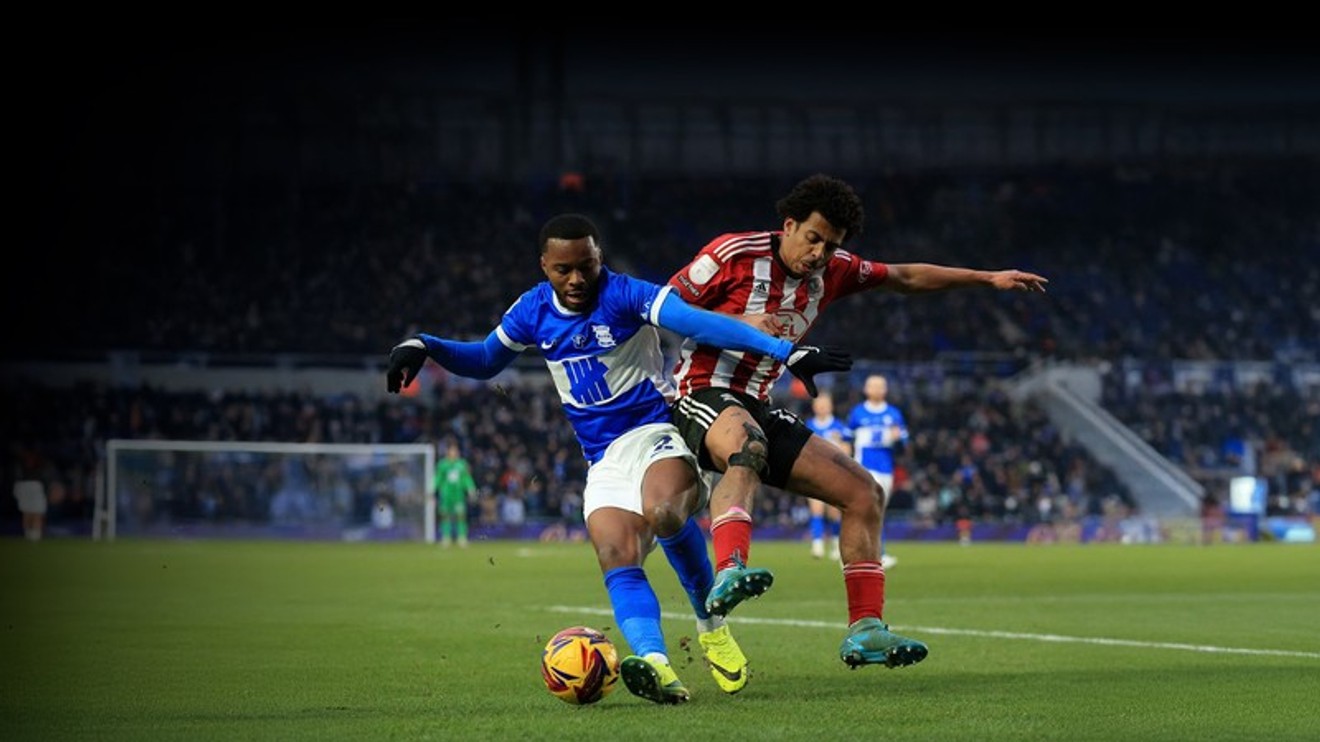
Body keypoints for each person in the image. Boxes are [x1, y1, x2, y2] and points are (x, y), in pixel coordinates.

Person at [385, 213, 850, 703]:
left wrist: (783, 349)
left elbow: (699, 322)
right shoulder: (531, 311)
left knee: (666, 511)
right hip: (602, 458)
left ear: (599, 257)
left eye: (586, 265)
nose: (577, 279)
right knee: (615, 554)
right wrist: (424, 345)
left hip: (659, 430)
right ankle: (656, 663)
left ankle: (711, 626)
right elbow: (483, 359)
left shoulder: (627, 294)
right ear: (544, 265)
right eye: (563, 269)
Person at [667, 173, 1048, 669]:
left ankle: (866, 629)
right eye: (813, 238)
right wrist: (743, 325)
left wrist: (985, 277)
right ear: (788, 225)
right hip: (700, 390)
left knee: (864, 491)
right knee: (749, 444)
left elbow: (905, 277)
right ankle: (730, 568)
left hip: (756, 402)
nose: (820, 254)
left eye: (831, 245)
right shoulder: (734, 253)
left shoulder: (835, 270)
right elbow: (663, 308)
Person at [846, 373, 906, 570]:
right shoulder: (857, 413)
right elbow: (847, 439)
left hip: (886, 468)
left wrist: (899, 438)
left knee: (878, 512)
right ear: (866, 389)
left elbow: (904, 443)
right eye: (873, 386)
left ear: (885, 389)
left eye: (881, 386)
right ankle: (871, 553)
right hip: (863, 467)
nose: (877, 389)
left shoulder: (894, 414)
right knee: (865, 510)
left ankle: (871, 552)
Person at [803, 391, 848, 561]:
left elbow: (847, 450)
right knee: (816, 508)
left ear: (830, 406)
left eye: (824, 404)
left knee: (834, 511)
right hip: (813, 472)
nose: (821, 407)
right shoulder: (807, 426)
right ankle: (817, 544)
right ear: (814, 407)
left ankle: (836, 544)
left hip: (834, 473)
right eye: (819, 405)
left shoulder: (839, 426)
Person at [434, 439, 477, 547]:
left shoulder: (462, 464)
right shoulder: (442, 464)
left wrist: (471, 489)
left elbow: (466, 478)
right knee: (445, 516)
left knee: (461, 516)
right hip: (446, 495)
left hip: (458, 495)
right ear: (448, 452)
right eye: (452, 450)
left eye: (456, 450)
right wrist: (432, 488)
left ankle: (462, 537)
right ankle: (446, 537)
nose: (454, 453)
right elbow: (437, 478)